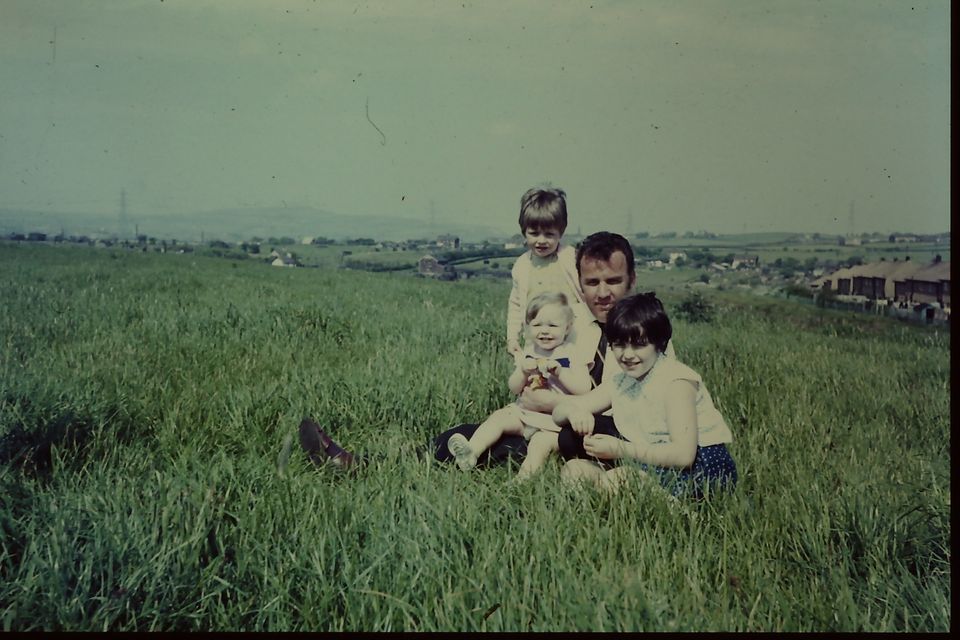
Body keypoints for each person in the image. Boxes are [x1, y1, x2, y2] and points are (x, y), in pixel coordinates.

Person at [553, 292, 736, 498]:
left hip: (699, 469)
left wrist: (620, 449)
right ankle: (597, 517)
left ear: (659, 343)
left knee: (617, 479)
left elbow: (684, 455)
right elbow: (559, 414)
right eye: (620, 345)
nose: (628, 354)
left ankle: (682, 513)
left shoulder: (677, 382)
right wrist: (573, 413)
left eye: (639, 344)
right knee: (574, 470)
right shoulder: (621, 381)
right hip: (650, 461)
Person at [446, 292, 591, 477]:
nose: (544, 331)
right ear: (528, 327)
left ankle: (524, 480)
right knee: (499, 417)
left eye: (553, 325)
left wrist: (561, 373)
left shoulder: (571, 354)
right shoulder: (528, 352)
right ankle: (471, 452)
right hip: (524, 415)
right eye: (537, 325)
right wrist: (522, 371)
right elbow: (514, 388)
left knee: (540, 445)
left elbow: (584, 388)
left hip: (553, 422)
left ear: (568, 327)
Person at [505, 186, 591, 358]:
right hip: (536, 342)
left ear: (561, 232)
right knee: (536, 380)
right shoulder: (522, 266)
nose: (541, 241)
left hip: (571, 341)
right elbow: (515, 305)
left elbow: (587, 292)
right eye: (534, 233)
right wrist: (512, 337)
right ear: (524, 231)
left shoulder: (570, 259)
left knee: (568, 377)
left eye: (549, 234)